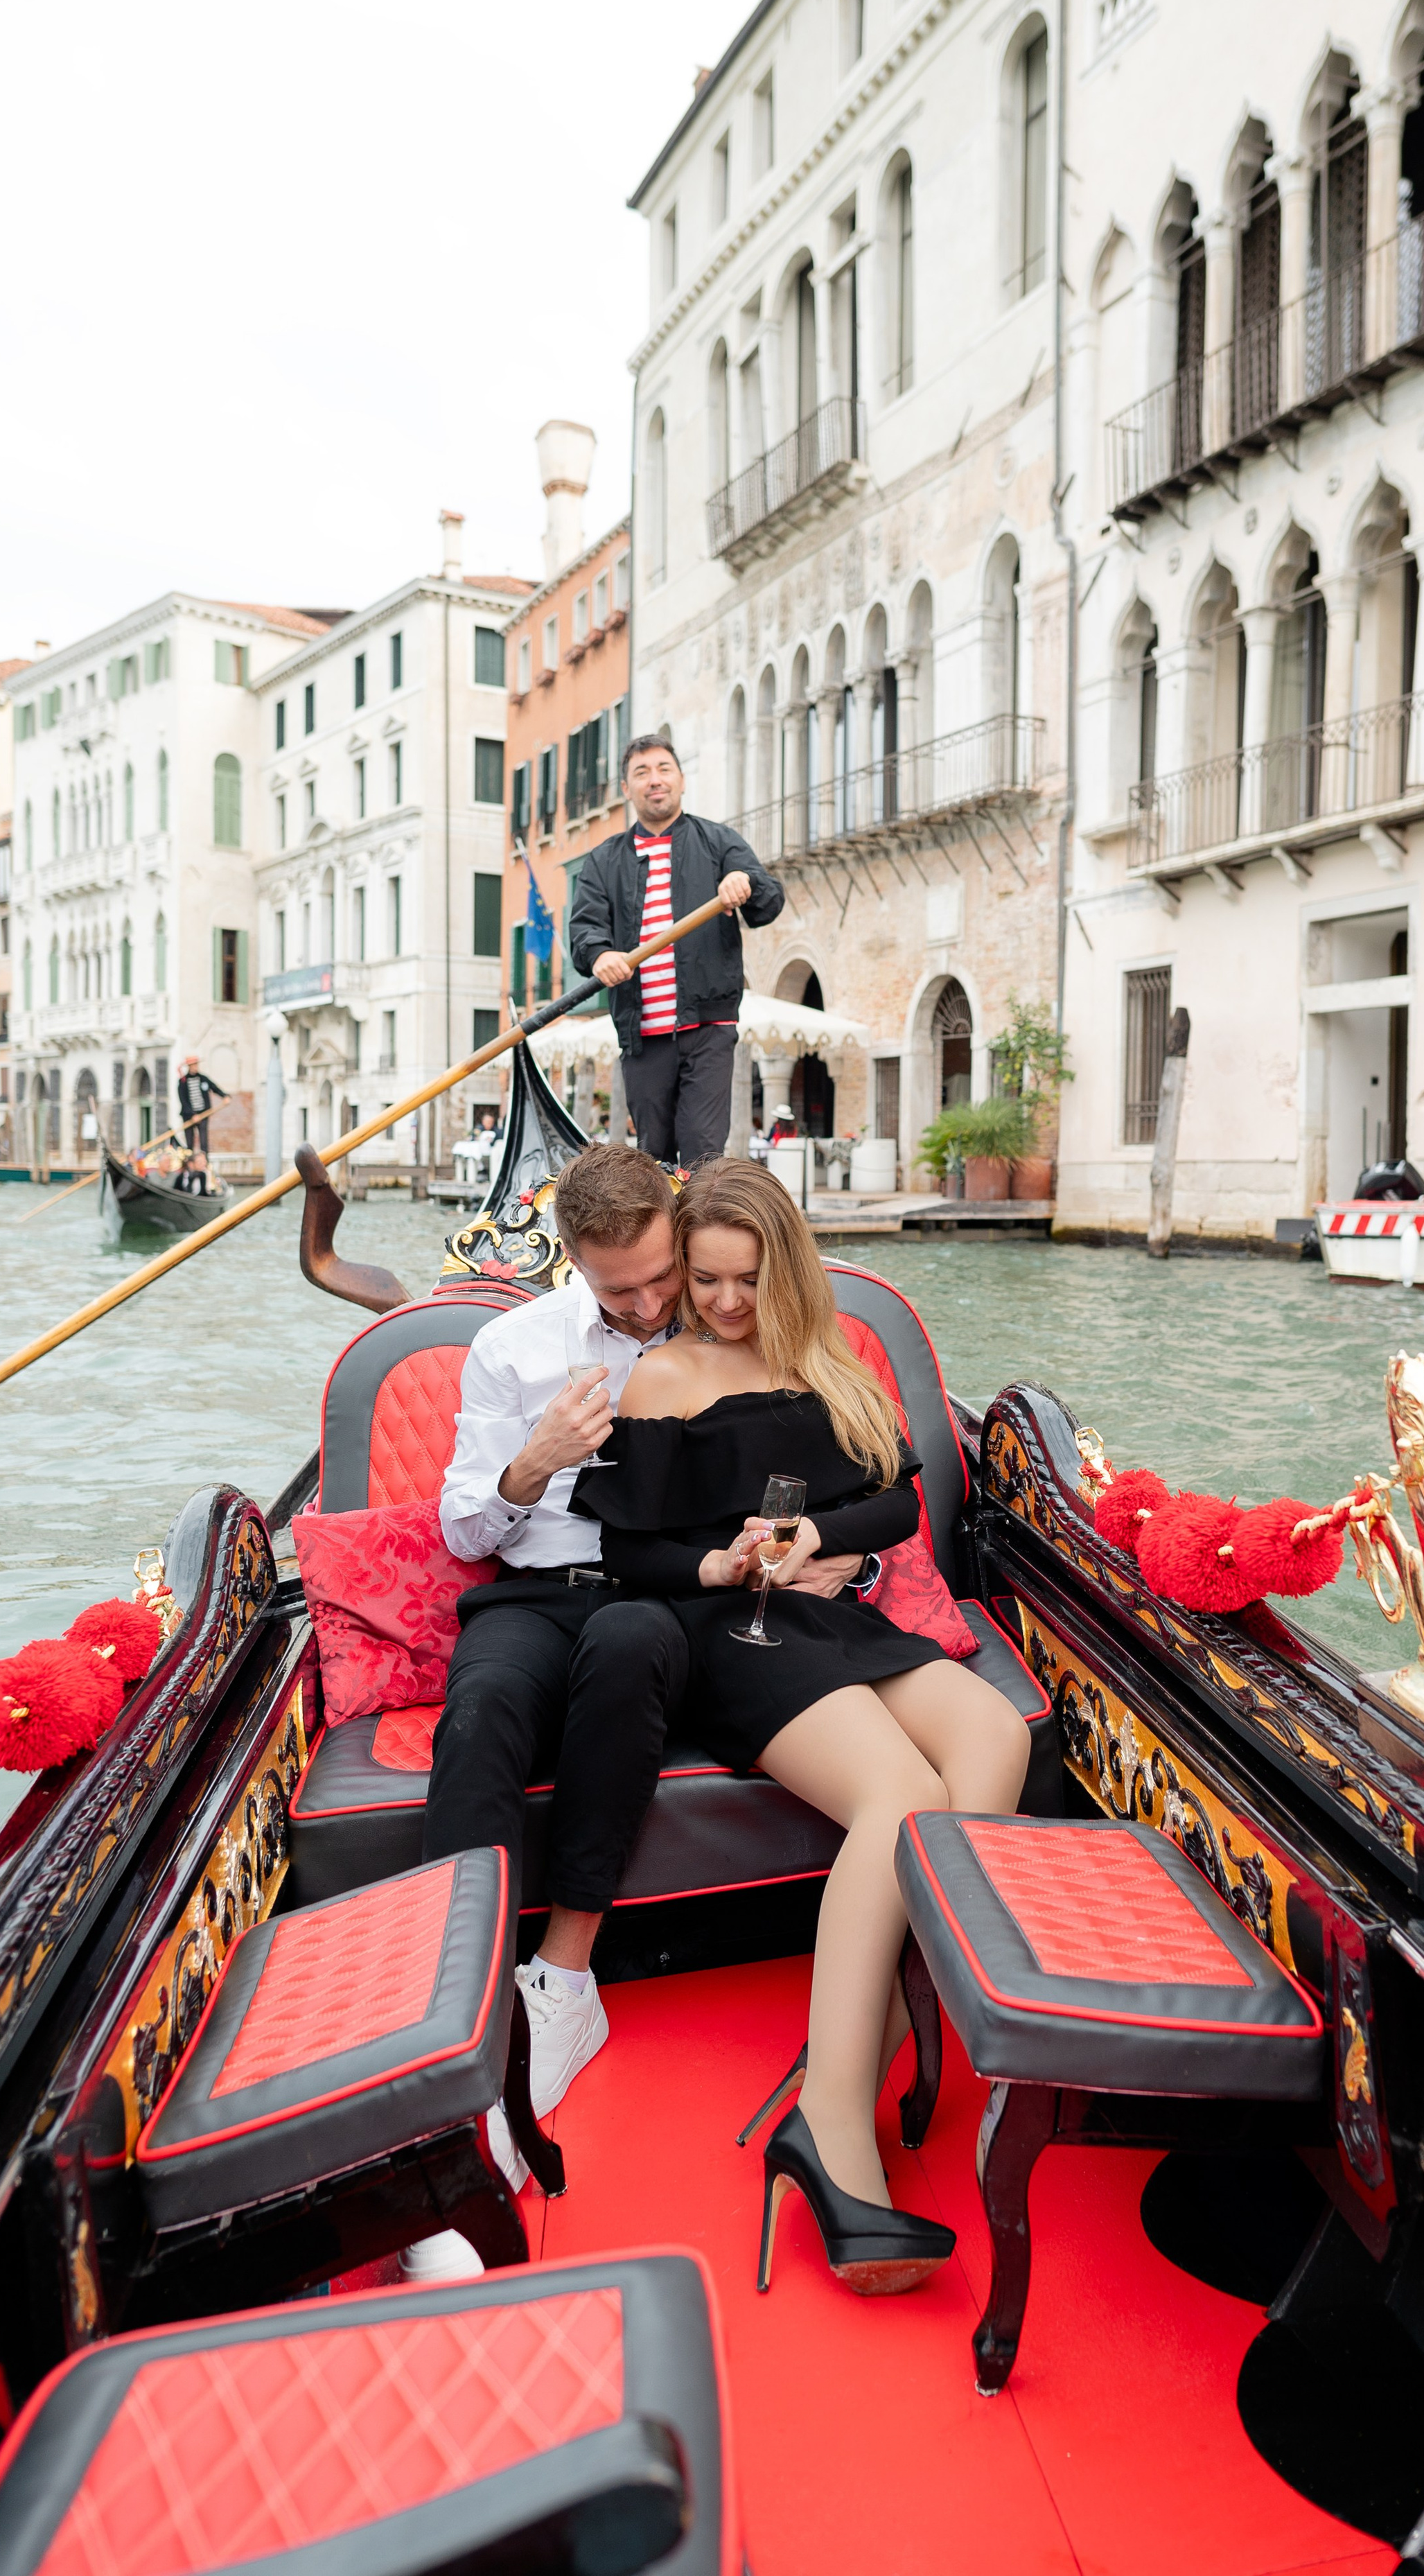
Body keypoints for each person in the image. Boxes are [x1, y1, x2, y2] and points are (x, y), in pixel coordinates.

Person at [571, 1159, 1030, 2296]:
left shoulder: (825, 1363)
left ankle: (872, 2035)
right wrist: (725, 1559)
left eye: (745, 1278)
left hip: (825, 1613)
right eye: (708, 1278)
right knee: (903, 1798)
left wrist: (817, 1542)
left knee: (993, 1738)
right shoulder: (658, 1377)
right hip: (722, 1632)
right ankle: (833, 2123)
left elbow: (896, 1502)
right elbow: (625, 1554)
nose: (723, 1301)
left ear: (786, 1265)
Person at [420, 1144, 694, 2279]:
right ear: (575, 1263)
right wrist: (531, 1464)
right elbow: (461, 1531)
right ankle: (454, 2035)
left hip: (661, 1593)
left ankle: (566, 1983)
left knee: (632, 1644)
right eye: (620, 1288)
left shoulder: (719, 1315)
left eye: (659, 1278)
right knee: (480, 1708)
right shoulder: (511, 1347)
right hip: (533, 1589)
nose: (647, 1306)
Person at [569, 736, 784, 1173]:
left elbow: (770, 902)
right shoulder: (603, 861)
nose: (655, 781)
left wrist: (744, 882)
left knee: (703, 1154)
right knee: (654, 1160)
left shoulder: (719, 843)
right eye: (642, 773)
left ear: (681, 780)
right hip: (642, 1032)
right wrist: (599, 956)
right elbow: (584, 931)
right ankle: (661, 1241)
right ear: (627, 789)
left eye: (664, 769)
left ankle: (703, 1240)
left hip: (708, 1026)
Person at [177, 1056, 227, 1159]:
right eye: (194, 1065)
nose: (196, 1067)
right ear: (189, 1067)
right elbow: (183, 1101)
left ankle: (205, 1162)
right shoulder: (183, 1082)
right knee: (190, 1142)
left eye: (197, 1065)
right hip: (188, 1116)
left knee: (204, 1141)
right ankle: (190, 1163)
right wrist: (192, 1115)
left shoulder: (203, 1079)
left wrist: (225, 1096)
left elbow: (214, 1088)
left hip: (203, 1114)